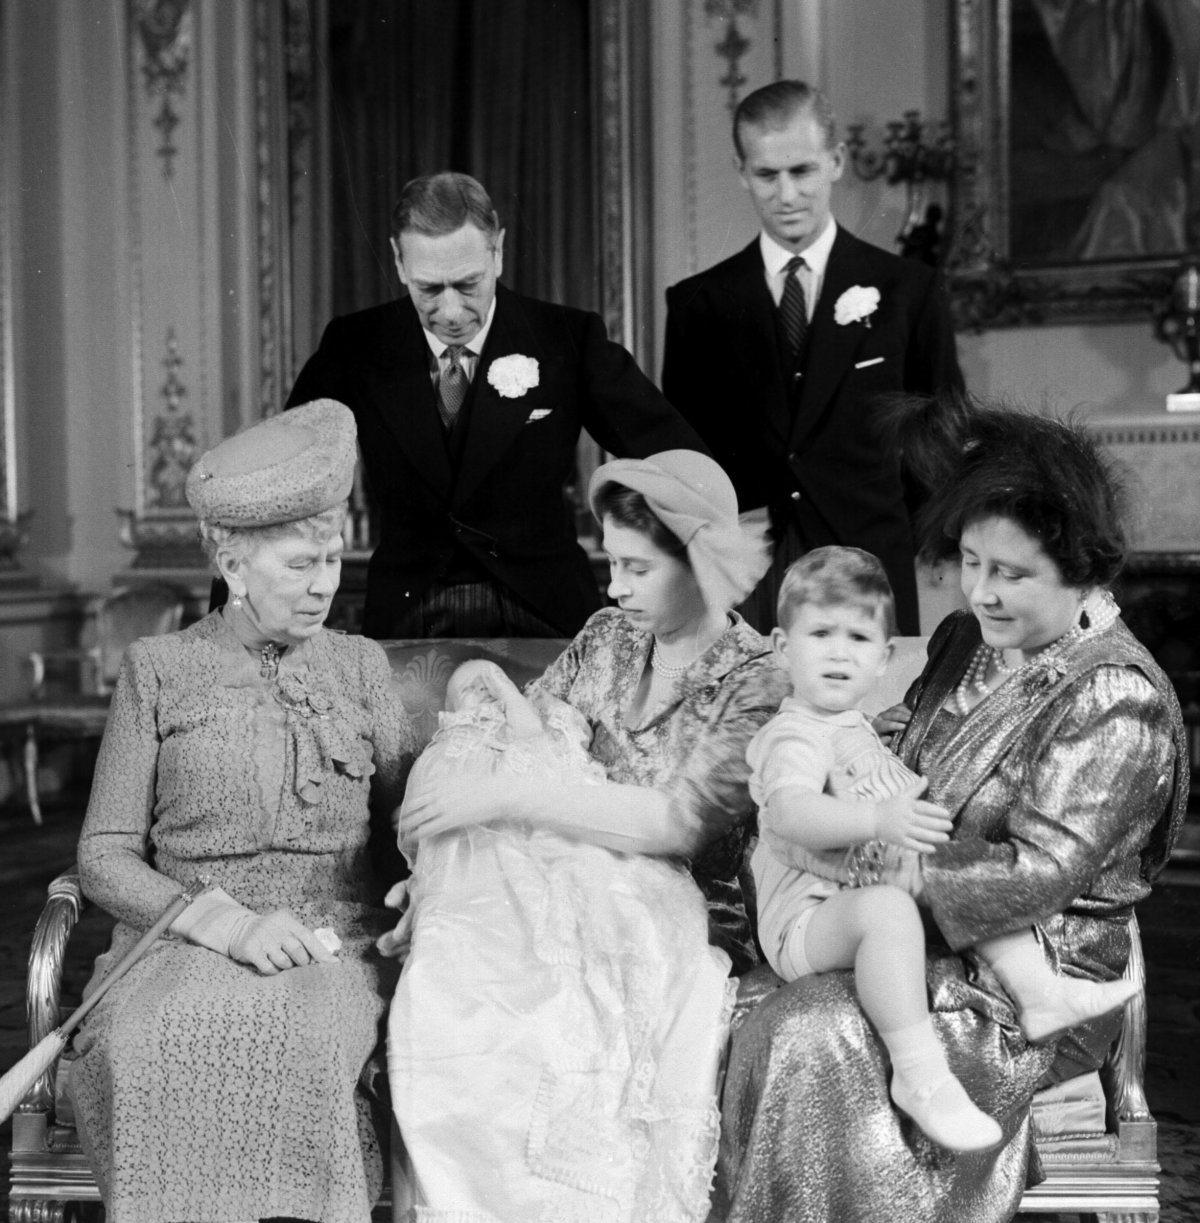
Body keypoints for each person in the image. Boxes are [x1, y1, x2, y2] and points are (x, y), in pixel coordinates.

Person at [714, 394, 1189, 1223]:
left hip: (1040, 967)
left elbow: (1040, 874)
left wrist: (901, 861)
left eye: (1011, 574)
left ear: (1082, 566)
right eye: (971, 562)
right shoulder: (968, 638)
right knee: (750, 1004)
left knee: (812, 1034)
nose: (981, 591)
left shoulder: (1114, 694)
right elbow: (905, 746)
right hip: (907, 920)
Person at [392, 449, 792, 1207]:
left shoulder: (759, 677)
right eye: (611, 563)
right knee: (456, 985)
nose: (616, 587)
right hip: (558, 888)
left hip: (682, 916)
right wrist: (442, 880)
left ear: (702, 562)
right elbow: (527, 739)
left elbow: (679, 822)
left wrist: (499, 797)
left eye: (638, 569)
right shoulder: (608, 635)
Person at [69, 400, 418, 1223]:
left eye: (333, 558)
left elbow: (413, 834)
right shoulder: (158, 669)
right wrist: (220, 923)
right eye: (300, 564)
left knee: (304, 1045)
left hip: (329, 937)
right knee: (151, 1044)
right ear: (233, 562)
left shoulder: (362, 668)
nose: (325, 583)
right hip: (176, 936)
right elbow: (105, 853)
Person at [748, 544, 1141, 1156]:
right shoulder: (794, 733)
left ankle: (1039, 993)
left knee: (958, 873)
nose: (837, 651)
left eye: (857, 638)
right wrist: (880, 816)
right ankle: (920, 1075)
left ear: (884, 660)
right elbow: (788, 813)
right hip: (805, 919)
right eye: (819, 632)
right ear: (781, 647)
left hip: (853, 890)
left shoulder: (855, 728)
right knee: (893, 909)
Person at [286, 170, 708, 639]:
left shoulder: (567, 338)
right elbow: (280, 478)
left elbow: (678, 461)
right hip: (407, 618)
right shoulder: (354, 345)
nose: (450, 312)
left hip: (548, 616)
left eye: (468, 285)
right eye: (428, 288)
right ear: (399, 262)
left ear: (499, 251)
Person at [385, 657, 735, 1221]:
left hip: (556, 847)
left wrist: (521, 718)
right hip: (476, 882)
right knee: (448, 988)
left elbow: (563, 779)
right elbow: (423, 830)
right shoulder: (442, 751)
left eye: (493, 683)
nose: (484, 695)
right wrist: (422, 889)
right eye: (468, 690)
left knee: (623, 930)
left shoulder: (545, 728)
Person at [661, 79, 964, 636]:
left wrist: (925, 547)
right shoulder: (698, 306)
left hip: (870, 566)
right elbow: (685, 458)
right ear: (740, 170)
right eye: (766, 175)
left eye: (801, 171)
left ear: (837, 161)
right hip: (746, 578)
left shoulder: (908, 292)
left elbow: (940, 441)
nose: (786, 195)